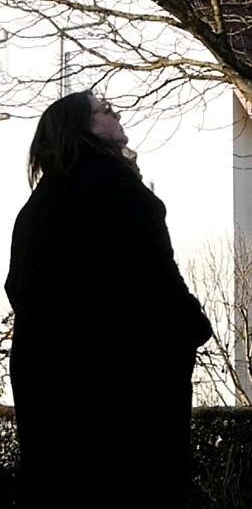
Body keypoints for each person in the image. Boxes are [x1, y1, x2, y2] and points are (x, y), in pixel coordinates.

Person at [5, 90, 213, 509]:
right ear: (82, 129)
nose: (116, 114)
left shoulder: (36, 208)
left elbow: (18, 288)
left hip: (47, 382)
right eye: (104, 110)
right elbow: (157, 277)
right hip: (124, 385)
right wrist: (194, 326)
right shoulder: (121, 191)